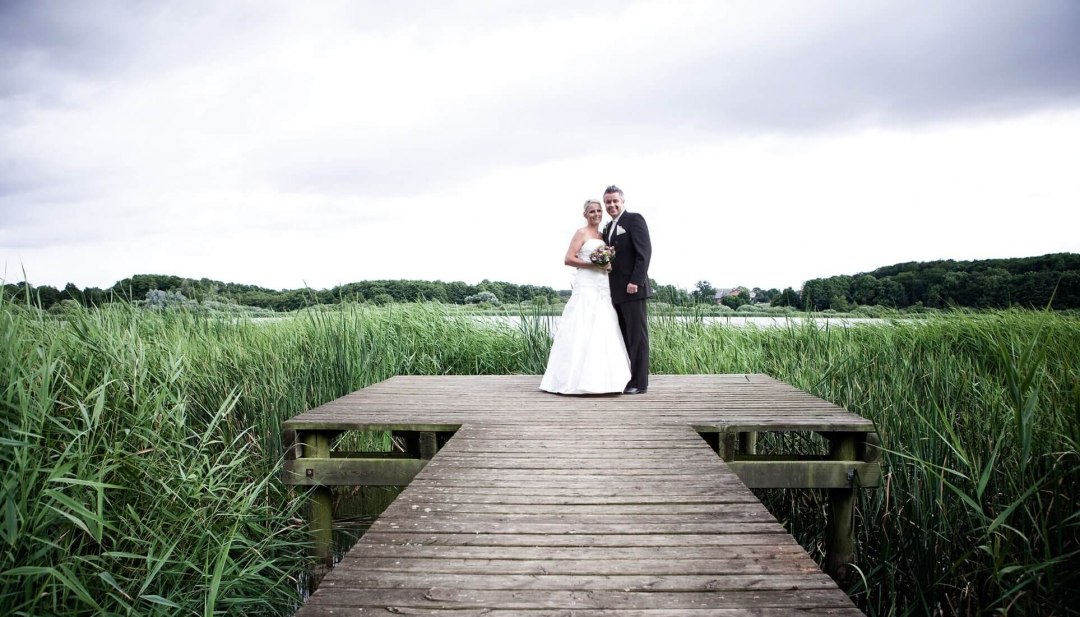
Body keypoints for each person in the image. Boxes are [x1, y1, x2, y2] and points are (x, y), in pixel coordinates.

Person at [539, 200, 631, 395]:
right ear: (585, 214)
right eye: (592, 211)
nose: (596, 214)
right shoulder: (581, 233)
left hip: (602, 284)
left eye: (598, 211)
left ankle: (605, 381)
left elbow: (607, 261)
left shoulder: (604, 234)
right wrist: (593, 264)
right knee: (581, 324)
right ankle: (572, 380)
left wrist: (606, 265)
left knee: (604, 325)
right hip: (586, 282)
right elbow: (568, 259)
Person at [602, 185, 652, 394]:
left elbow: (644, 252)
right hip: (614, 292)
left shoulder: (634, 220)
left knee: (637, 337)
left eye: (615, 201)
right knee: (622, 336)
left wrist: (635, 281)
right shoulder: (608, 228)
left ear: (623, 201)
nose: (612, 205)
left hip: (633, 290)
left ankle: (640, 383)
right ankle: (626, 377)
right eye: (608, 202)